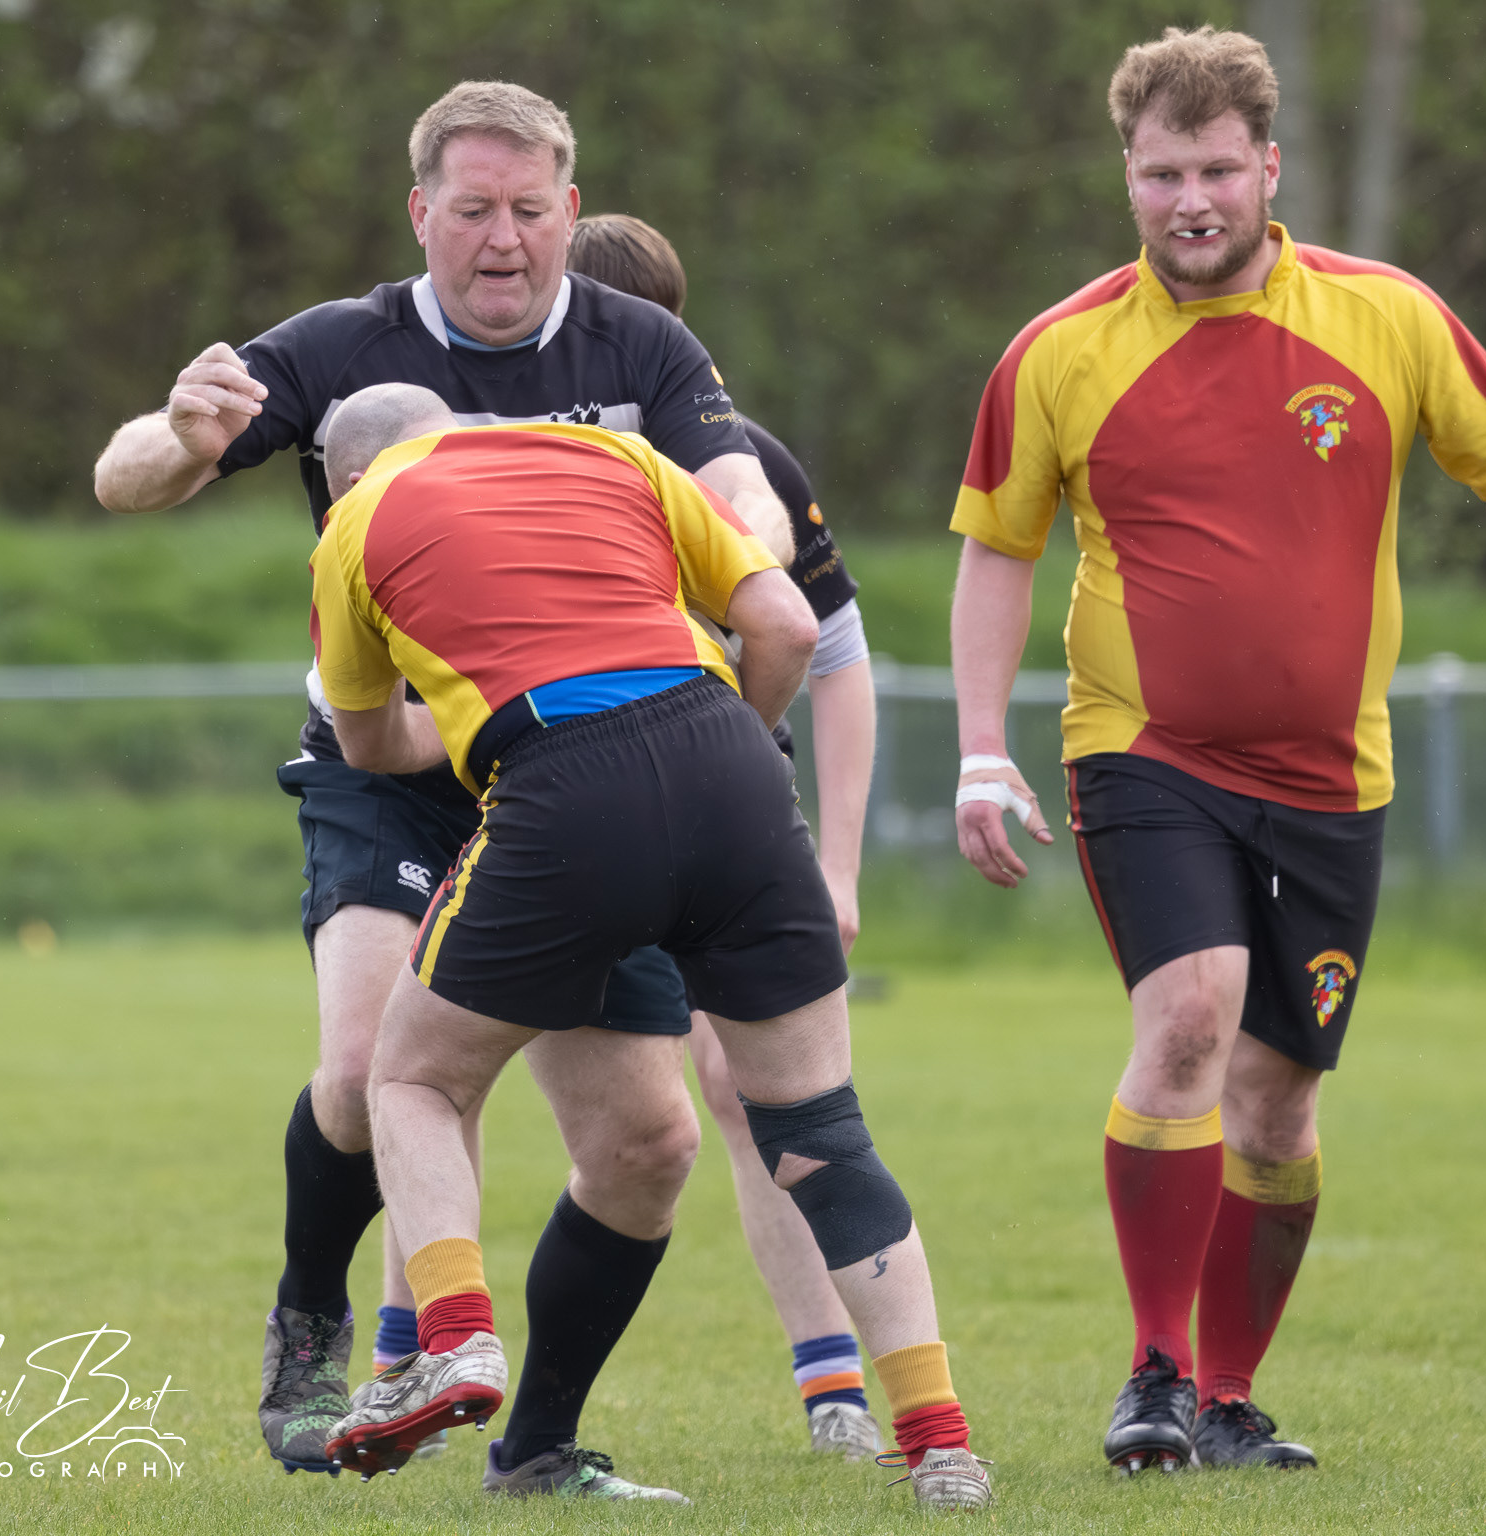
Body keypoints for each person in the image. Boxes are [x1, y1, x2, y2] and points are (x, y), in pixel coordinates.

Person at [92, 80, 803, 1494]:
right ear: (421, 213)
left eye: (530, 211)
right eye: (473, 210)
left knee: (648, 1144)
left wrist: (740, 553)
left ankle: (536, 1452)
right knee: (371, 1072)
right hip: (392, 764)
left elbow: (747, 496)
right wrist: (181, 433)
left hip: (585, 766)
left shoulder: (639, 345)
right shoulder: (343, 346)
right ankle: (312, 1315)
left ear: (570, 213)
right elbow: (125, 480)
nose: (502, 239)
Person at [946, 25, 1486, 1475]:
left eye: (1216, 170)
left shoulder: (1389, 316)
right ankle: (1155, 1374)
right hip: (1144, 751)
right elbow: (998, 551)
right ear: (1128, 177)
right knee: (1190, 1018)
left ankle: (1230, 1398)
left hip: (1331, 777)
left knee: (1278, 1102)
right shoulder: (1058, 352)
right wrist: (981, 749)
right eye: (1162, 173)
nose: (1191, 200)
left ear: (1269, 168)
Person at [305, 386, 991, 1511]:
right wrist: (730, 755)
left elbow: (368, 742)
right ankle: (941, 1446)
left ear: (343, 476)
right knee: (822, 1134)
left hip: (559, 787)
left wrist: (478, 719)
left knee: (414, 1078)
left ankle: (455, 1339)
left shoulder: (355, 520)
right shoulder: (613, 455)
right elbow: (787, 628)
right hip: (735, 767)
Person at [566, 212, 883, 1459]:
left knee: (758, 1095)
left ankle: (836, 1389)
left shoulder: (746, 465)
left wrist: (838, 866)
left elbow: (835, 656)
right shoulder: (513, 463)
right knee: (440, 1071)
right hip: (553, 806)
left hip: (726, 808)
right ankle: (412, 1357)